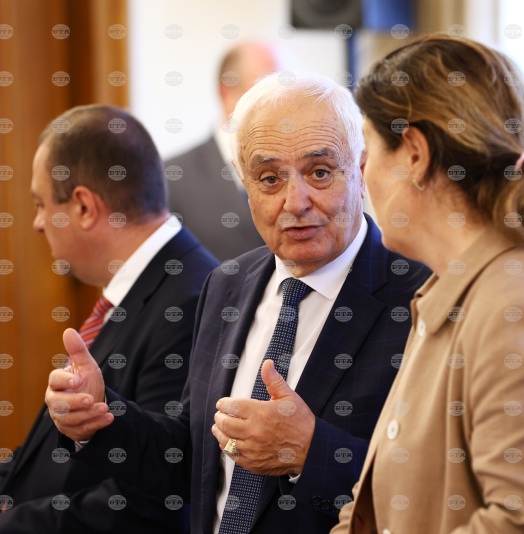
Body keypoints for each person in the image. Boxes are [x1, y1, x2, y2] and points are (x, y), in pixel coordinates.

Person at [45, 73, 429, 533]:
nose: (296, 202)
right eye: (269, 179)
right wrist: (102, 418)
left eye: (320, 172)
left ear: (360, 169)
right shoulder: (227, 284)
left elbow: (431, 489)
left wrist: (310, 452)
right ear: (243, 182)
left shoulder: (419, 296)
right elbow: (191, 461)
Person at [333, 35, 524, 533]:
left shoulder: (520, 306)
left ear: (414, 154)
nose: (362, 175)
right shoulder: (459, 289)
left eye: (368, 150)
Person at [0, 105, 218, 533]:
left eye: (42, 204)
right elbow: (48, 463)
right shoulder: (138, 287)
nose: (38, 223)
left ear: (84, 206)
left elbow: (154, 503)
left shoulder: (190, 301)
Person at [166, 41, 282, 261]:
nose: (279, 104)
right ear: (227, 92)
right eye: (265, 93)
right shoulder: (172, 179)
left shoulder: (297, 173)